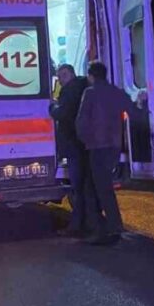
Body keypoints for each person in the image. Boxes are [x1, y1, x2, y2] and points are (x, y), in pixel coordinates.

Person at [75, 61, 133, 245]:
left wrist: (85, 140)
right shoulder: (116, 92)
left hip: (97, 147)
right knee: (101, 186)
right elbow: (132, 111)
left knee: (98, 189)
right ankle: (110, 227)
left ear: (91, 75)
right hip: (113, 147)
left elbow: (81, 121)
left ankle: (106, 229)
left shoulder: (90, 93)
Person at [49, 64, 94, 236]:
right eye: (59, 77)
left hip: (74, 144)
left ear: (71, 74)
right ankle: (90, 223)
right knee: (85, 186)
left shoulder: (70, 91)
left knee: (78, 187)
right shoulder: (84, 86)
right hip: (85, 144)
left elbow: (62, 114)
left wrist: (52, 107)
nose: (61, 80)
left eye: (63, 76)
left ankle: (78, 226)